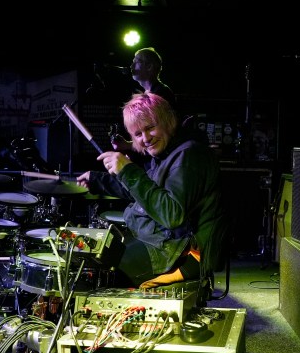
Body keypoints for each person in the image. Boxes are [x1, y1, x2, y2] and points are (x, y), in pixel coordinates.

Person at [77, 92, 228, 290]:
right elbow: (143, 192)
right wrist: (98, 180)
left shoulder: (188, 156)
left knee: (105, 274)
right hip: (164, 243)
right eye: (138, 134)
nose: (145, 138)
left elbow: (172, 214)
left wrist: (128, 170)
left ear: (168, 122)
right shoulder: (168, 154)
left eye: (150, 128)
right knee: (95, 256)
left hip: (182, 252)